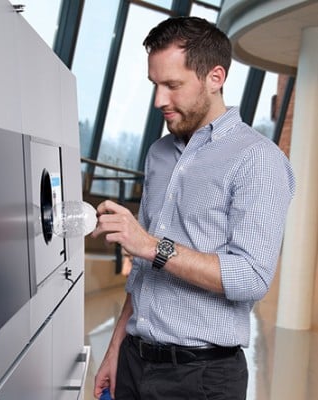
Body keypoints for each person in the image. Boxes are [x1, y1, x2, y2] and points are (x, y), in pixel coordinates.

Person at [91, 16, 295, 400]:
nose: (159, 101)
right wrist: (116, 347)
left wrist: (151, 246)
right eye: (155, 85)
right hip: (134, 361)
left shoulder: (258, 160)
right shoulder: (158, 153)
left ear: (215, 77)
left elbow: (250, 276)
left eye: (173, 85)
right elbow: (141, 275)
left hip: (202, 379)